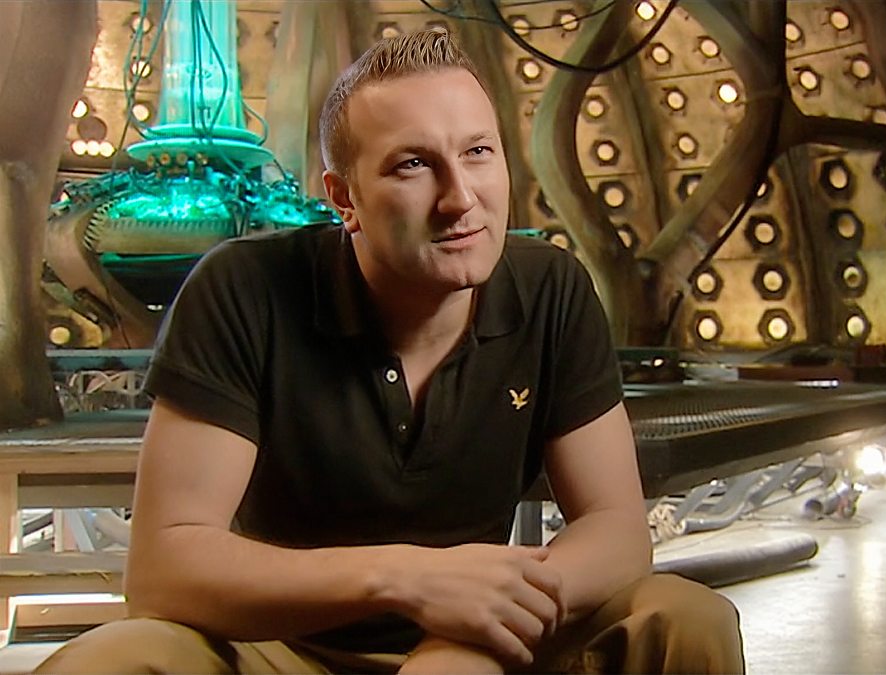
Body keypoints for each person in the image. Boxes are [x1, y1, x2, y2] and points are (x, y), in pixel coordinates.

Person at [36, 29, 744, 674]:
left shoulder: (550, 289)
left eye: (478, 152)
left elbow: (617, 529)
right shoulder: (242, 289)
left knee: (684, 617)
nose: (460, 198)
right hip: (286, 645)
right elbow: (165, 568)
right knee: (111, 661)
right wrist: (408, 580)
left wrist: (473, 631)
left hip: (483, 646)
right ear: (344, 199)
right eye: (413, 165)